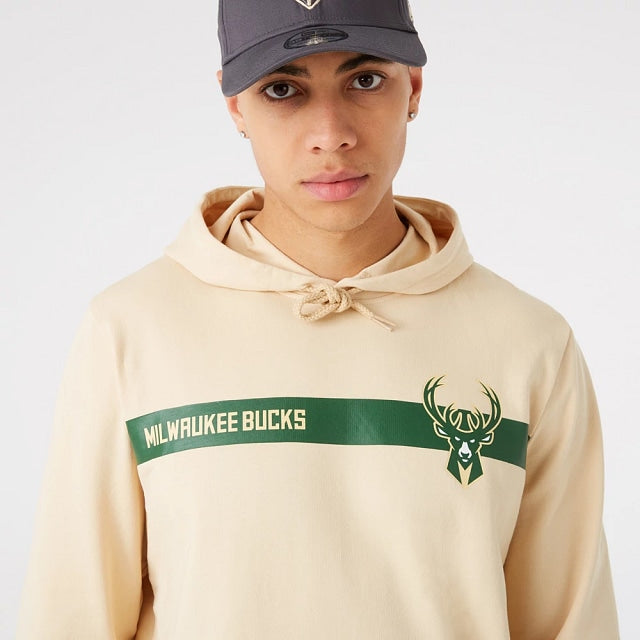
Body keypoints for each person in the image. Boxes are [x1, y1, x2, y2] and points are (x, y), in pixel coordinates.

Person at [17, 0, 619, 637]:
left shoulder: (529, 341)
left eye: (366, 79)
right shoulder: (130, 329)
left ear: (414, 88)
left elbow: (570, 624)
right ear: (234, 106)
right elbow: (70, 619)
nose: (331, 134)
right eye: (283, 89)